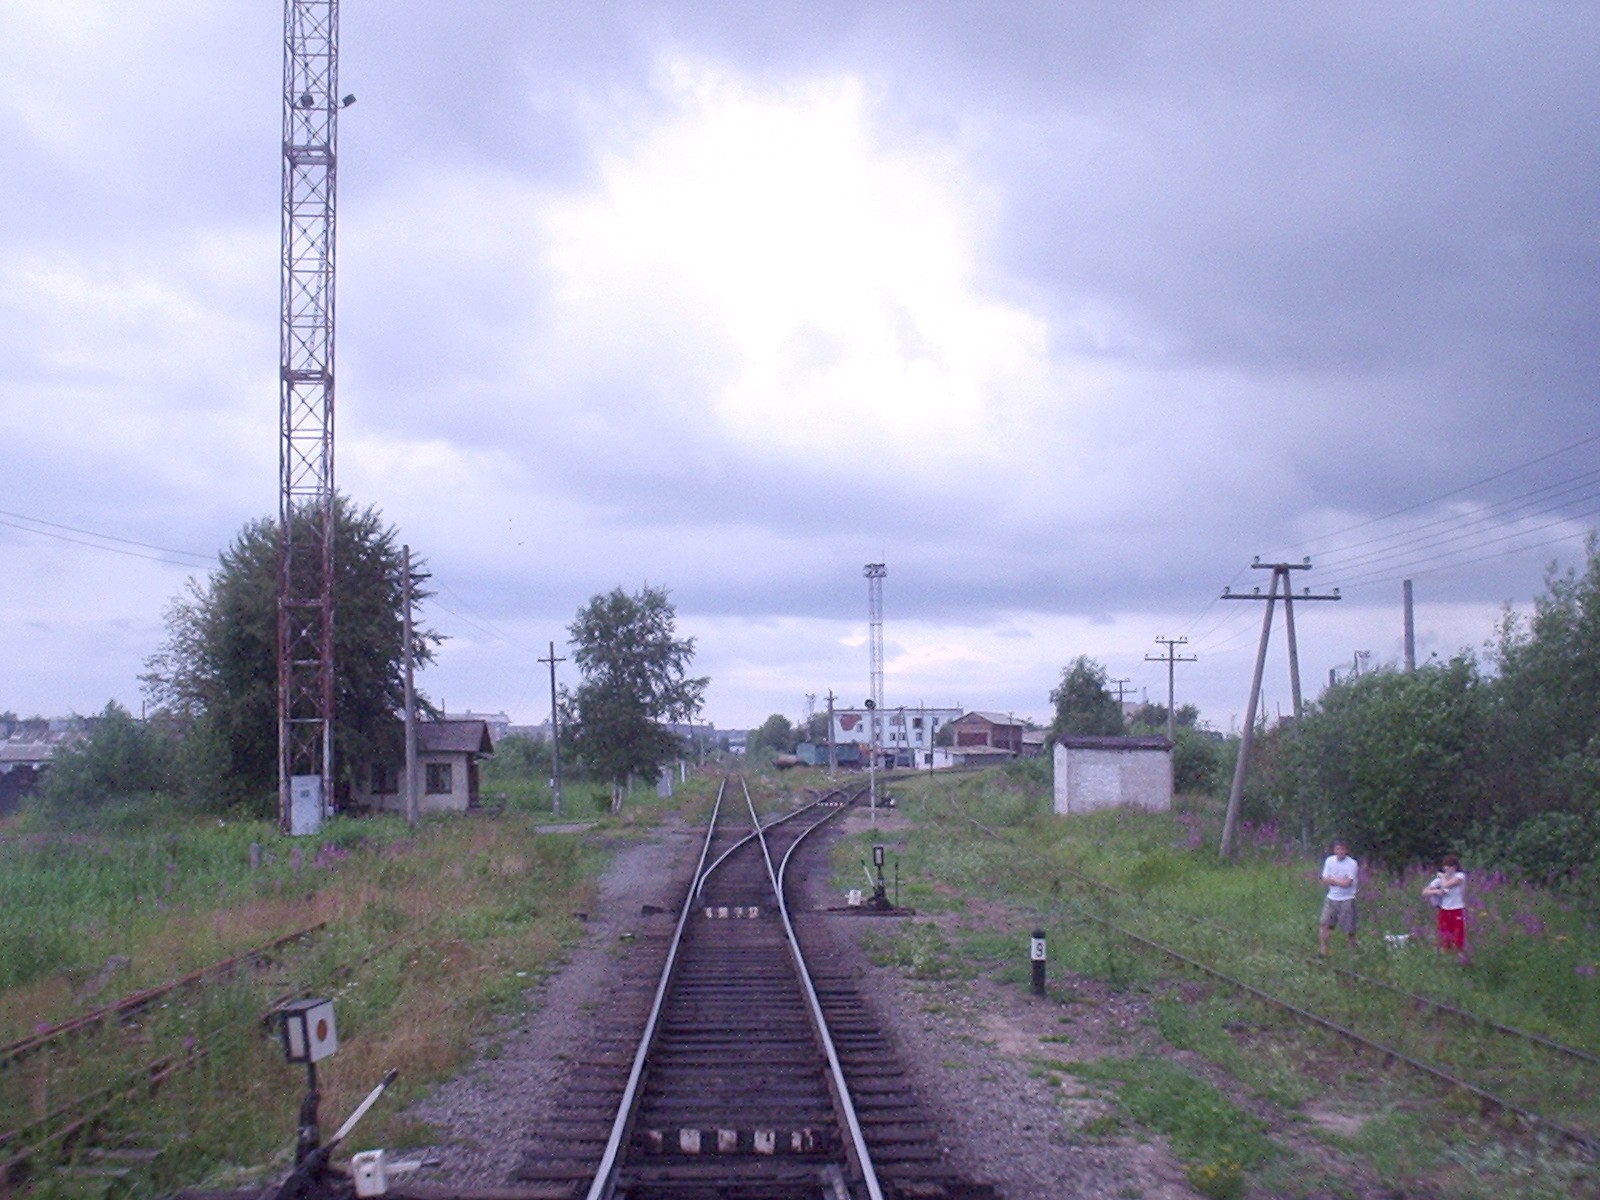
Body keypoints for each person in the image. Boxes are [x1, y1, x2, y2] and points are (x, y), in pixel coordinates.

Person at [1318, 840, 1359, 957]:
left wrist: (1333, 880)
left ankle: (1353, 954)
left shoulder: (1352, 863)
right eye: (1337, 849)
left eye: (1342, 849)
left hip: (1347, 899)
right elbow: (1324, 879)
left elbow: (1348, 883)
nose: (1340, 852)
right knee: (1324, 924)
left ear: (1346, 850)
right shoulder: (1329, 861)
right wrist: (1339, 880)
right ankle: (1323, 953)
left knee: (1349, 930)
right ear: (1334, 850)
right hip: (1331, 898)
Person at [1422, 854, 1466, 952]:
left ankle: (1459, 954)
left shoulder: (1460, 876)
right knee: (1444, 935)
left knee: (1458, 936)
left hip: (1457, 909)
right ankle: (1446, 954)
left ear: (1455, 867)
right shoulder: (1439, 879)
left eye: (1450, 866)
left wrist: (1442, 878)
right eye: (1446, 866)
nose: (1448, 869)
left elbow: (1446, 885)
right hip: (1444, 909)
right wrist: (1436, 891)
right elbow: (1424, 892)